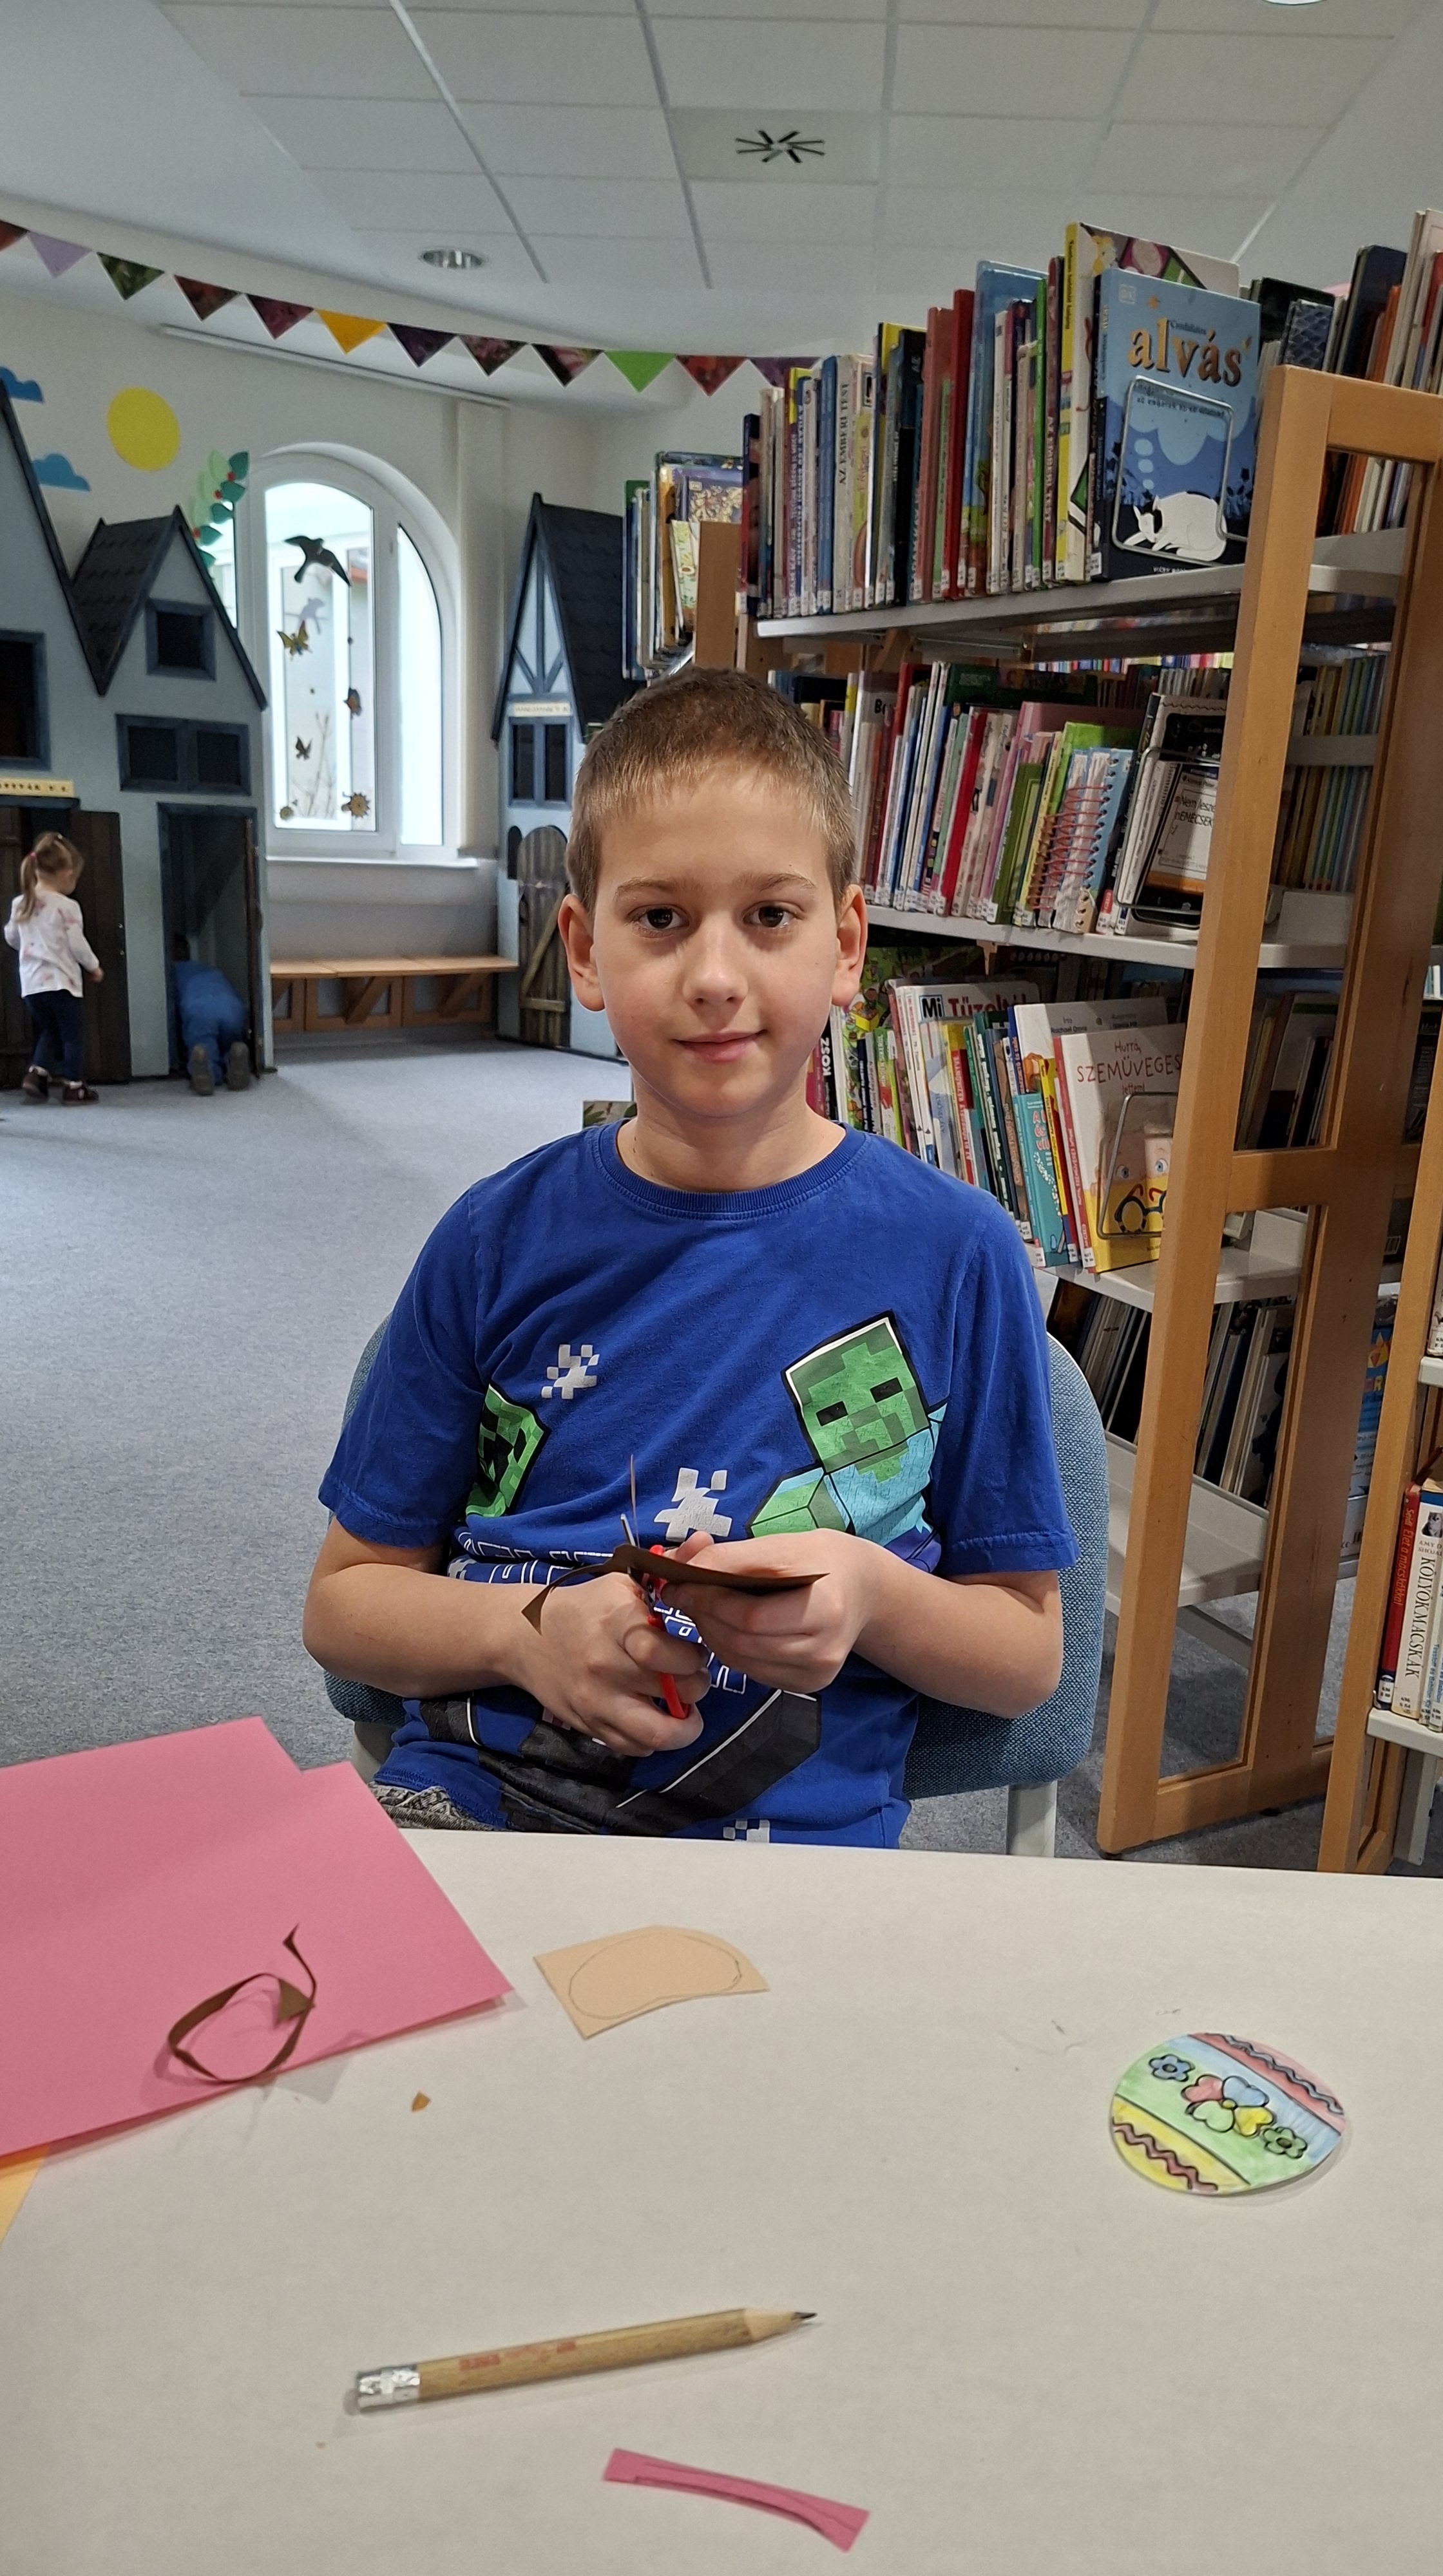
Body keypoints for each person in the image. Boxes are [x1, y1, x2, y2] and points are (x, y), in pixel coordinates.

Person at [304, 668, 1076, 1844]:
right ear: (585, 952)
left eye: (769, 917)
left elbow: (1025, 1661)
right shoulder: (491, 1241)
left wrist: (871, 1596)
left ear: (845, 946)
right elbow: (344, 1607)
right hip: (478, 1818)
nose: (715, 979)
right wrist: (522, 1634)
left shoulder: (958, 1253)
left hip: (789, 1868)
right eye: (661, 919)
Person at [5, 831, 104, 1104]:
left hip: (32, 985)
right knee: (72, 1037)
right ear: (67, 874)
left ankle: (36, 1074)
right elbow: (78, 945)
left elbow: (12, 938)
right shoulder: (67, 907)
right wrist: (94, 967)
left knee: (50, 1030)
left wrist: (31, 947)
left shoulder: (20, 903)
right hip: (63, 983)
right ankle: (74, 1087)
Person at [170, 938, 251, 1095]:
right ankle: (234, 1060)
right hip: (232, 1006)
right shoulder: (211, 970)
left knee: (203, 1043)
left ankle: (207, 1072)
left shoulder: (172, 974)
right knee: (230, 1041)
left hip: (199, 1009)